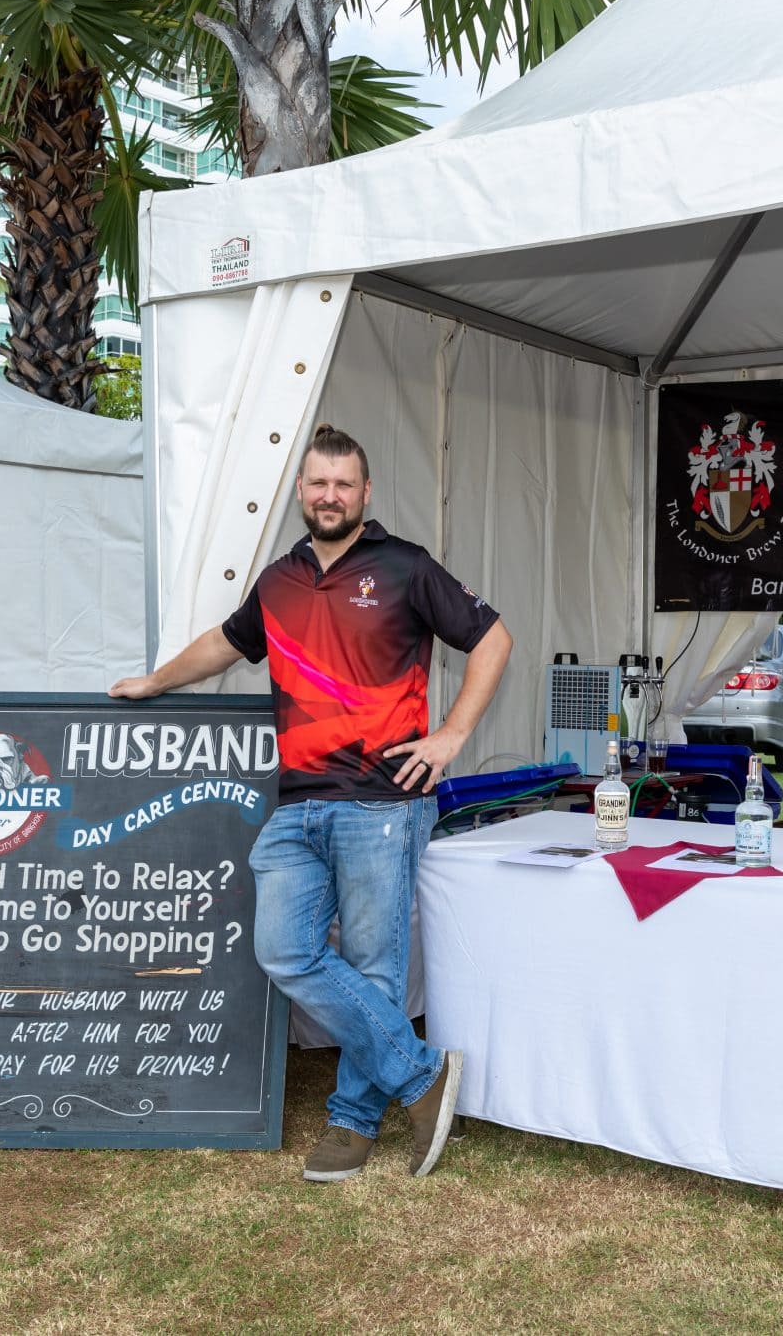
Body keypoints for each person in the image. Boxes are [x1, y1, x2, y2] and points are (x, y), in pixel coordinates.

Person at [111, 425, 513, 1183]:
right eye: (319, 483)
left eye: (344, 484)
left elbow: (493, 639)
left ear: (366, 493)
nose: (331, 496)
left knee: (373, 964)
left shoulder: (405, 567)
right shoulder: (279, 581)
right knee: (284, 949)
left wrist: (453, 735)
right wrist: (156, 681)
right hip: (297, 806)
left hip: (383, 801)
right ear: (301, 490)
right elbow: (225, 643)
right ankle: (421, 1076)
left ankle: (353, 1122)